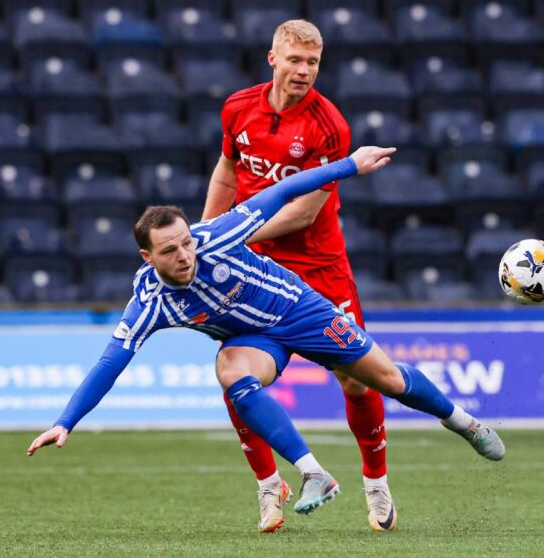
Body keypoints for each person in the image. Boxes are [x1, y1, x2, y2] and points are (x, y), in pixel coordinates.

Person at [27, 147, 506, 530]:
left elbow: (285, 190)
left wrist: (351, 165)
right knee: (230, 373)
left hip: (302, 311)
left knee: (388, 381)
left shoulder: (216, 234)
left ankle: (463, 422)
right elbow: (111, 361)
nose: (185, 255)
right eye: (170, 251)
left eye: (186, 243)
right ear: (147, 256)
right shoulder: (150, 300)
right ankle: (313, 474)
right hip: (256, 340)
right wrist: (66, 421)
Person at [201, 19, 393, 533]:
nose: (304, 70)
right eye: (295, 60)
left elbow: (306, 212)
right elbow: (226, 171)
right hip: (256, 271)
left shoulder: (330, 125)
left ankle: (376, 483)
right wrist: (205, 233)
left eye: (312, 63)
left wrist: (232, 237)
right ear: (273, 59)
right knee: (236, 371)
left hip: (319, 268)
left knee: (357, 379)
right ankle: (269, 486)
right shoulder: (238, 107)